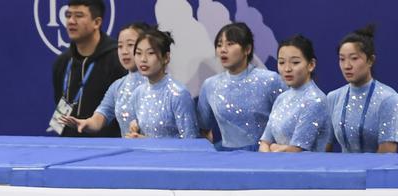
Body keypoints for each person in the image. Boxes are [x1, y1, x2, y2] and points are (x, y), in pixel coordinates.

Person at [197, 22, 285, 151]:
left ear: (247, 49)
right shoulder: (210, 85)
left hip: (264, 155)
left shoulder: (270, 80)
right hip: (225, 157)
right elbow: (203, 129)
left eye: (230, 44)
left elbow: (288, 122)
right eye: (219, 45)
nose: (223, 50)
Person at [51, 0, 126, 138]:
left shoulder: (118, 60)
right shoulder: (62, 62)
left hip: (107, 150)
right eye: (68, 15)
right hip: (68, 148)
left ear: (97, 22)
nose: (71, 21)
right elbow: (59, 105)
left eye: (79, 16)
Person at [60, 22, 150, 136]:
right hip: (128, 152)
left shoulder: (167, 88)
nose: (124, 51)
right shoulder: (117, 86)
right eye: (120, 46)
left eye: (130, 45)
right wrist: (86, 123)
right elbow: (100, 117)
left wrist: (146, 141)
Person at [326, 26, 398, 153]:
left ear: (370, 60)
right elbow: (324, 149)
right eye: (342, 59)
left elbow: (387, 155)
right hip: (340, 171)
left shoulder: (389, 99)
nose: (347, 66)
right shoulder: (333, 97)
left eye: (354, 58)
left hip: (373, 172)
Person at [259, 35, 328, 152]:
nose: (287, 69)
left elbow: (296, 150)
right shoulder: (281, 98)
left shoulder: (315, 100)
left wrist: (274, 148)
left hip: (306, 168)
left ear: (311, 65)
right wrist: (271, 151)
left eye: (295, 62)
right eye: (281, 62)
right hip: (275, 166)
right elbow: (265, 142)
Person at [126, 28, 199, 139]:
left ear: (166, 57)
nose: (143, 59)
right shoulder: (138, 93)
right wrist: (135, 129)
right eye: (138, 53)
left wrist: (146, 141)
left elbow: (190, 142)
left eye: (150, 53)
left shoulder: (178, 94)